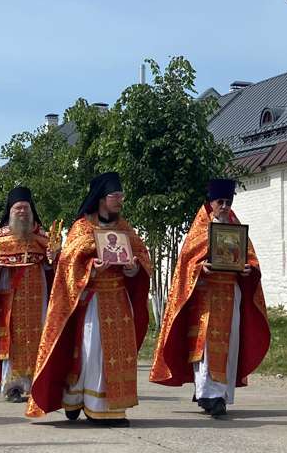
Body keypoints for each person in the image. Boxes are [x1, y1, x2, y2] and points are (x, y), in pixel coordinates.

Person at [28, 172, 152, 426]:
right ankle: (81, 401)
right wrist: (92, 267)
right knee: (90, 352)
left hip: (119, 300)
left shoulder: (125, 228)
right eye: (114, 196)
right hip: (92, 301)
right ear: (100, 199)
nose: (119, 200)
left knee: (119, 354)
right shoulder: (81, 228)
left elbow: (141, 256)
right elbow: (68, 262)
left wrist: (133, 268)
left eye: (121, 196)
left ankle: (110, 408)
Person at [151, 179, 270, 417]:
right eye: (220, 202)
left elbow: (251, 260)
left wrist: (249, 269)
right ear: (211, 202)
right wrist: (200, 268)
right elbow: (187, 263)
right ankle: (209, 394)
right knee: (205, 347)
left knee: (230, 344)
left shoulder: (235, 229)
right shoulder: (200, 230)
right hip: (206, 296)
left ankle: (220, 394)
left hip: (230, 294)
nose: (224, 206)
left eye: (228, 202)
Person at [0, 189, 55, 402]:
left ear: (31, 211)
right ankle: (13, 387)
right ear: (10, 212)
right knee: (12, 343)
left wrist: (52, 258)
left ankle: (37, 385)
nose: (22, 211)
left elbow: (53, 271)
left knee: (39, 339)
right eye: (17, 208)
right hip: (11, 301)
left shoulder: (43, 238)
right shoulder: (1, 240)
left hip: (39, 299)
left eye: (25, 208)